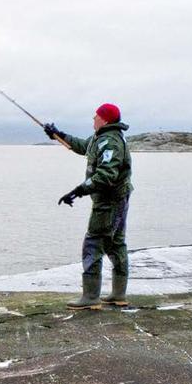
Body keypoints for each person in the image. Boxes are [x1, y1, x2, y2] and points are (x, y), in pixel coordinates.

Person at [44, 104, 133, 309]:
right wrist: (58, 134)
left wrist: (77, 191)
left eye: (96, 116)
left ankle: (91, 297)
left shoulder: (110, 141)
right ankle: (118, 295)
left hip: (109, 202)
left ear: (105, 119)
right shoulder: (101, 138)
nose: (93, 118)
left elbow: (106, 176)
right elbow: (83, 146)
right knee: (116, 244)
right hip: (117, 199)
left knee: (93, 244)